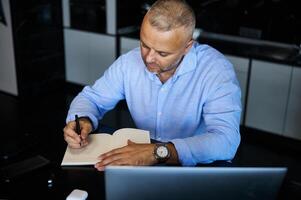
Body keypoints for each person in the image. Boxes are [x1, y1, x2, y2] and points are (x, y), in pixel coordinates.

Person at [63, 0, 241, 170]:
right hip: (140, 161)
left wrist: (158, 152)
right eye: (144, 45)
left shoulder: (217, 71)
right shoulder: (128, 63)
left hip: (196, 169)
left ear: (187, 47)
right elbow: (91, 98)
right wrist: (84, 120)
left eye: (162, 53)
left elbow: (226, 140)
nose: (148, 58)